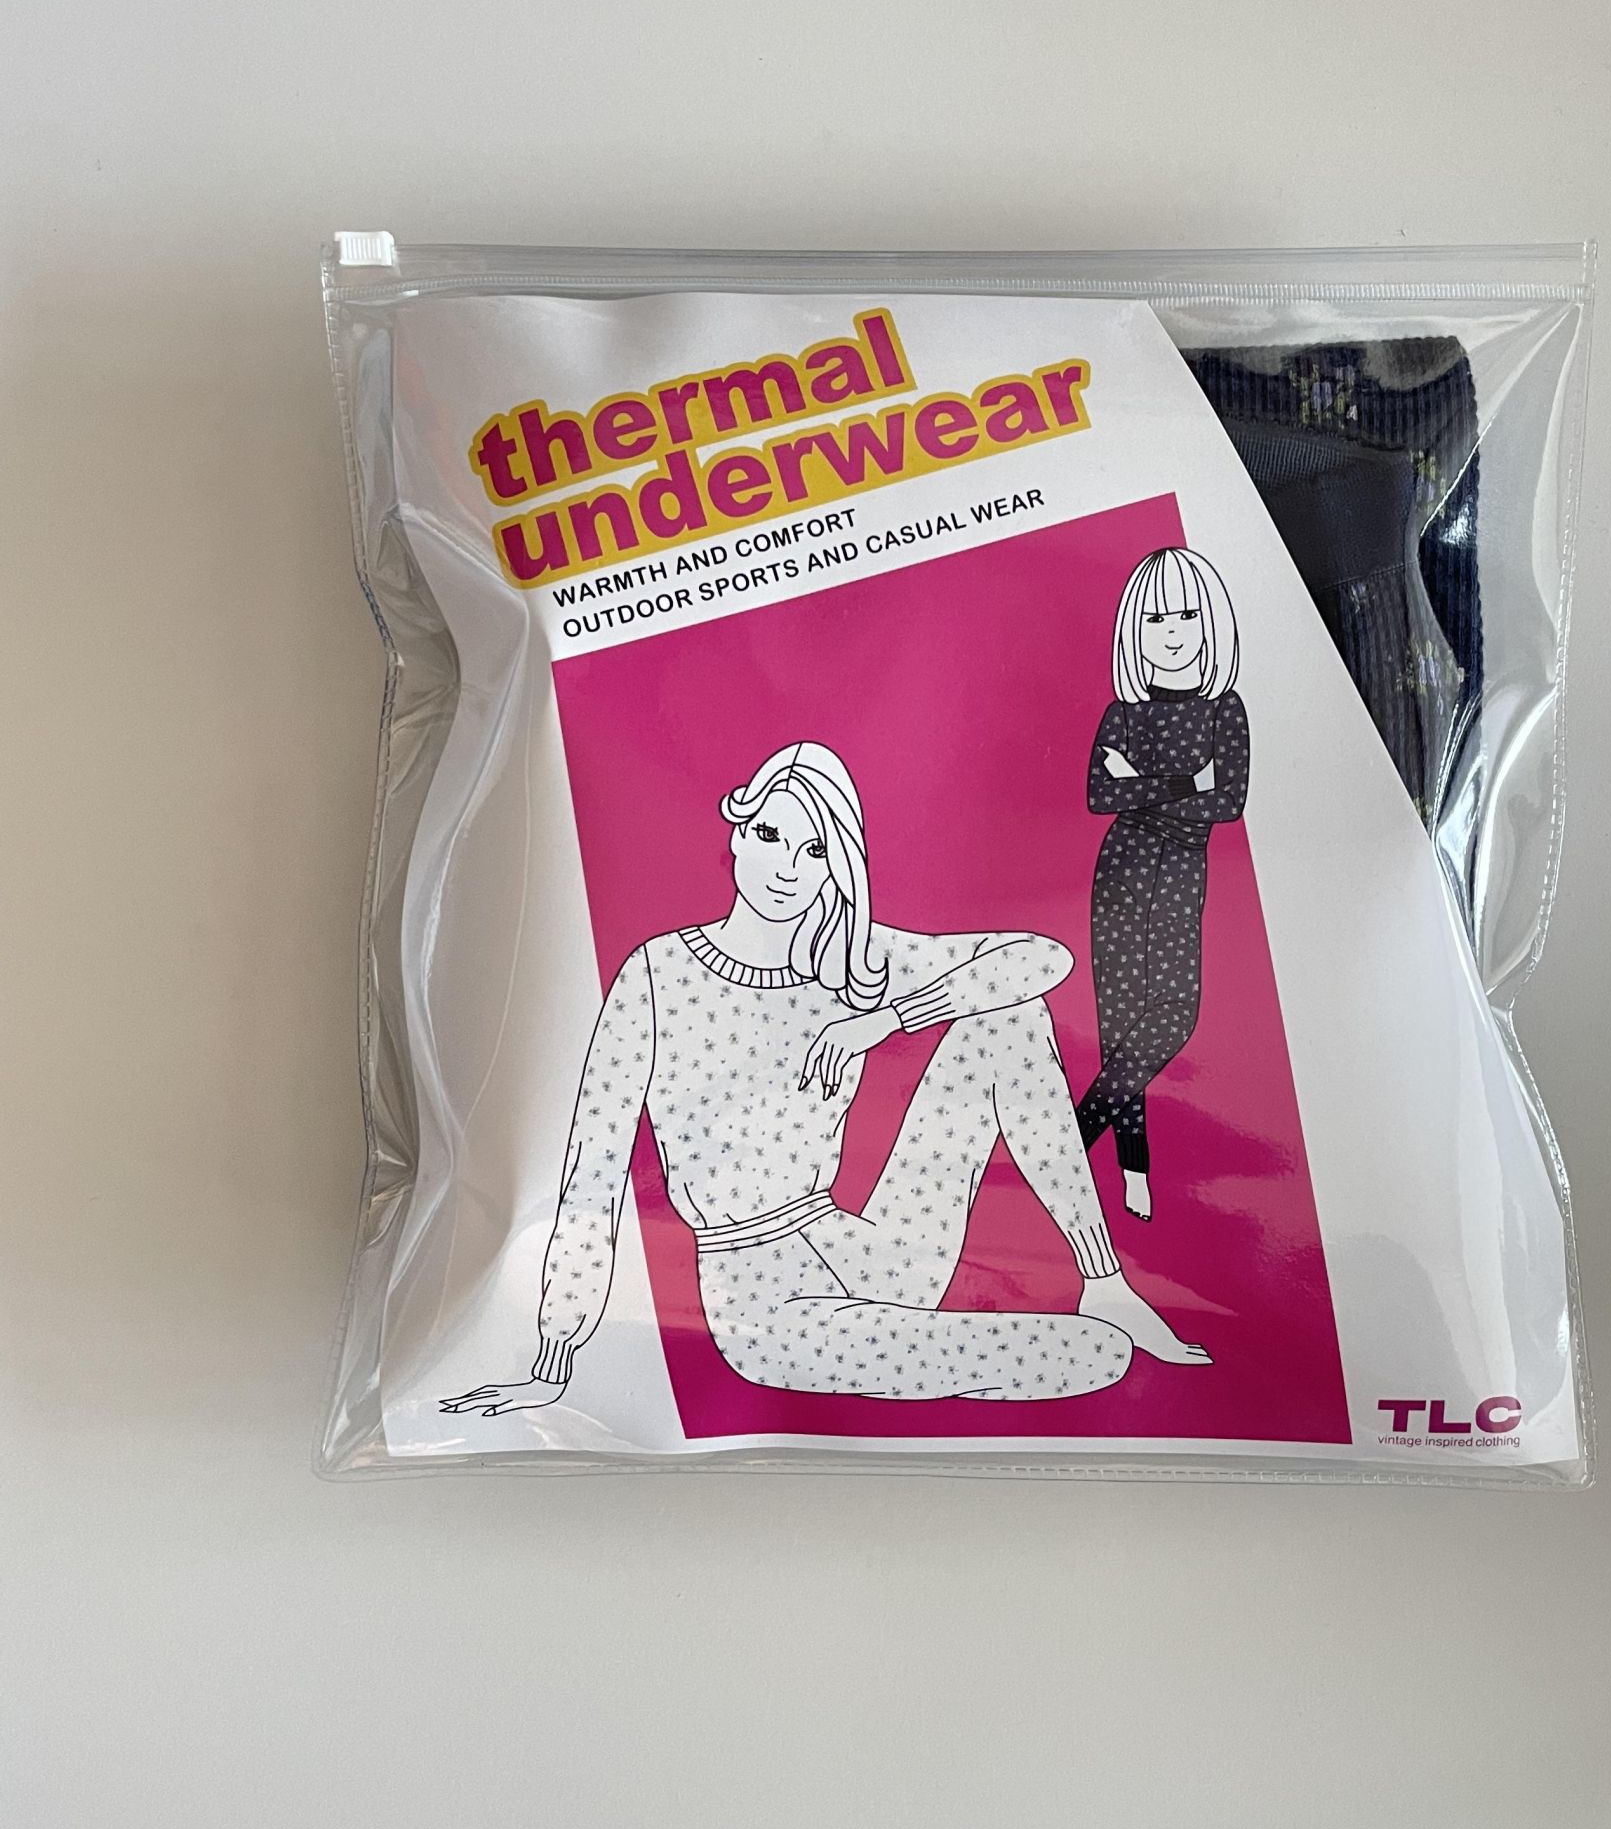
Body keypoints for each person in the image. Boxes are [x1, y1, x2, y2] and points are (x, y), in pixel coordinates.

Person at [444, 742, 1207, 1415]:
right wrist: (553, 1358)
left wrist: (886, 1018)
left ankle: (1104, 1280)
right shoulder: (658, 974)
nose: (787, 868)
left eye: (815, 851)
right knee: (1093, 1357)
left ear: (837, 866)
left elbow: (1040, 958)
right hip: (764, 1308)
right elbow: (593, 1172)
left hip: (873, 1252)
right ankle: (967, 1337)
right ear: (737, 831)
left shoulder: (851, 961)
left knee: (1008, 1018)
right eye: (770, 835)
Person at [1074, 548, 1250, 1221]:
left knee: (1173, 1014)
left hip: (1179, 868)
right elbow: (1100, 795)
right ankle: (1134, 1173)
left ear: (1211, 623)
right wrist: (1184, 783)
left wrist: (1141, 786)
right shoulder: (1121, 714)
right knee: (1118, 1026)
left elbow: (1227, 802)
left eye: (1185, 615)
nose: (1171, 632)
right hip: (1122, 865)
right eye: (1154, 619)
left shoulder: (1223, 710)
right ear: (1133, 631)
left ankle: (1068, 1136)